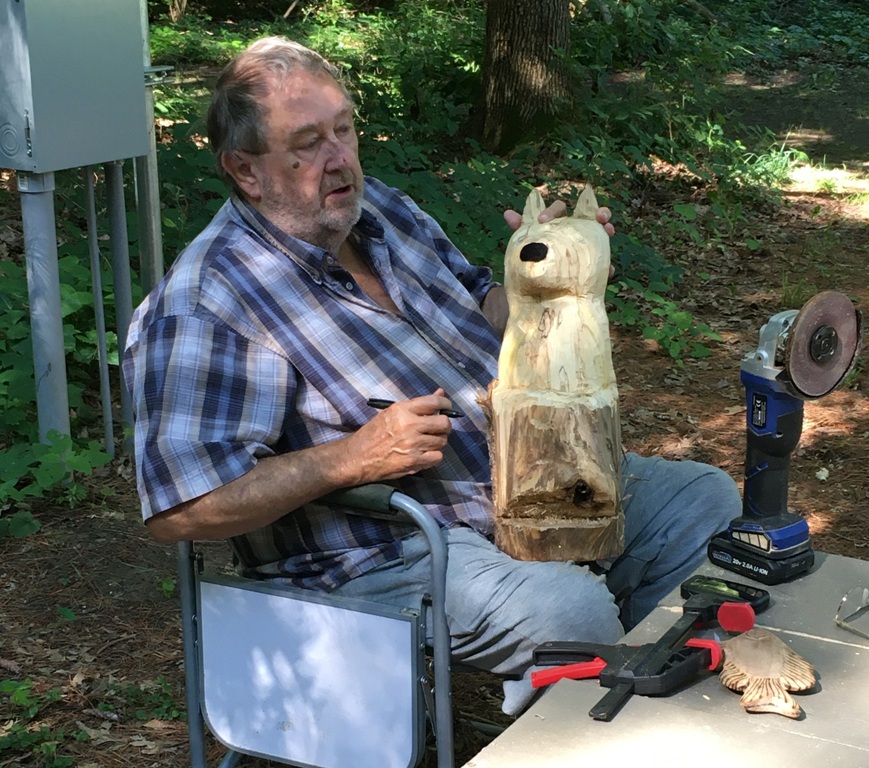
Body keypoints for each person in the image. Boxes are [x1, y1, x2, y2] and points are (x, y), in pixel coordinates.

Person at [123, 36, 740, 717]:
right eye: (307, 143)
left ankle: (639, 701)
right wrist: (350, 458)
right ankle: (594, 718)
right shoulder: (208, 303)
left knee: (698, 503)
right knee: (568, 613)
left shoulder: (381, 211)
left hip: (524, 477)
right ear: (245, 170)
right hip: (388, 549)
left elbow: (484, 303)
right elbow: (183, 507)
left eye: (344, 129)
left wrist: (550, 274)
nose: (340, 158)